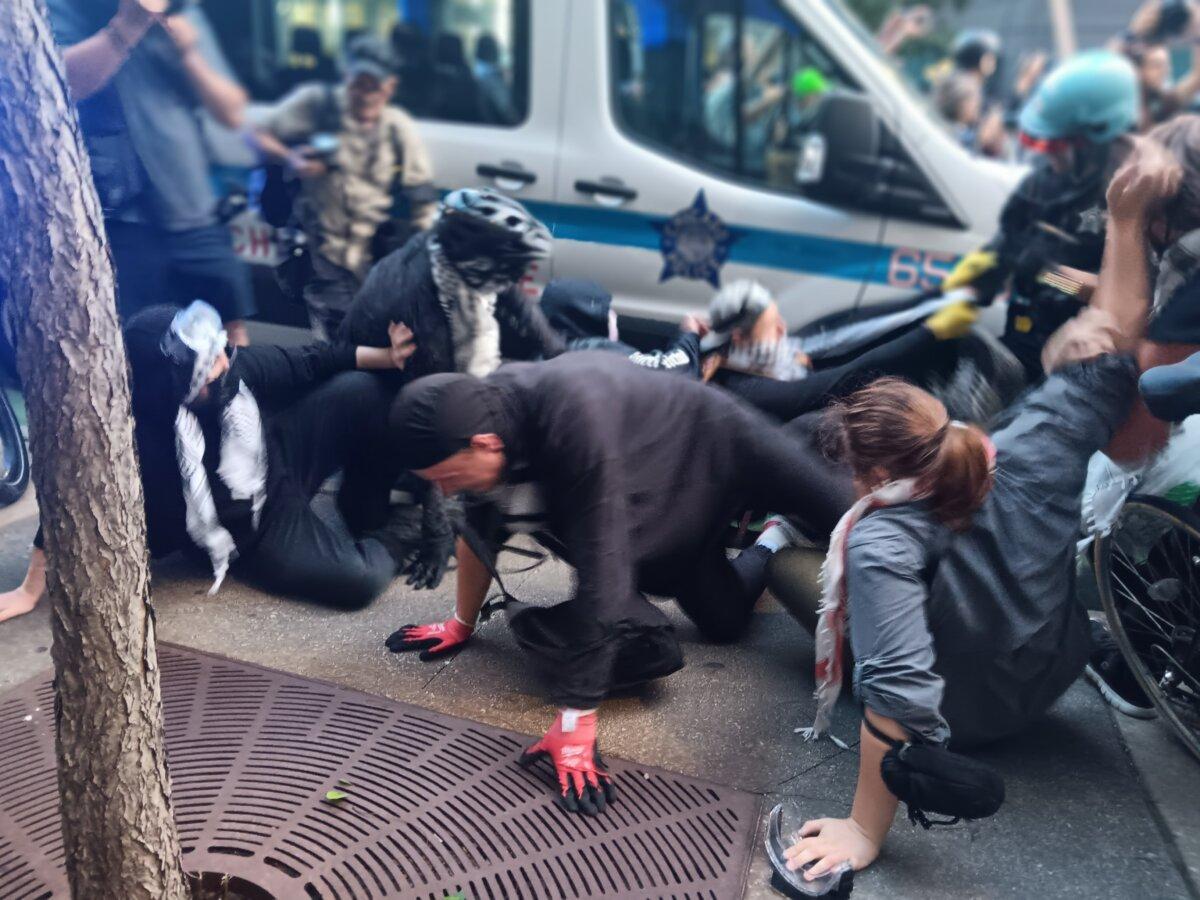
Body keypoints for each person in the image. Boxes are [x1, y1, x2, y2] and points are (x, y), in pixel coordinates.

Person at [772, 141, 1177, 883]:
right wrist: (1127, 218)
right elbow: (1117, 344)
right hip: (1045, 681)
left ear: (876, 476)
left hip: (966, 720)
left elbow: (897, 690)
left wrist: (864, 832)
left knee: (786, 564)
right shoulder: (1031, 443)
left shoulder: (881, 539)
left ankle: (774, 549)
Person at [384, 352, 854, 815]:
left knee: (840, 509)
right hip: (656, 503)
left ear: (485, 443)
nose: (444, 490)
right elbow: (478, 531)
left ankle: (802, 480)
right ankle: (772, 543)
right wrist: (461, 624)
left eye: (446, 477)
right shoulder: (478, 418)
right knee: (725, 621)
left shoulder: (571, 417)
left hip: (718, 440)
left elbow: (601, 569)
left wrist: (575, 717)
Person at [0, 301, 418, 623]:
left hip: (279, 461)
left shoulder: (235, 368)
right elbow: (66, 505)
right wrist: (29, 591)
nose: (224, 362)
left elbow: (311, 359)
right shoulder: (127, 438)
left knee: (361, 389)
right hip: (247, 533)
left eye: (220, 353)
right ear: (174, 381)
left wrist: (389, 356)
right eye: (210, 364)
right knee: (358, 582)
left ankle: (366, 502)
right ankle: (409, 527)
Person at [45, 0, 255, 344]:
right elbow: (56, 85)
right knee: (137, 354)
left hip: (196, 210)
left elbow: (232, 112)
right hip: (116, 223)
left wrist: (189, 54)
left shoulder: (180, 9)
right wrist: (128, 26)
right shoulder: (66, 7)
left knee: (228, 345)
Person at [944, 51, 1140, 380]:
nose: (1050, 153)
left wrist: (1048, 273)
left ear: (1096, 137)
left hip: (1082, 369)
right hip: (1022, 339)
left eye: (1060, 143)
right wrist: (965, 292)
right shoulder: (1043, 183)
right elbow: (1004, 245)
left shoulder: (1134, 198)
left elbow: (1127, 300)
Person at [255, 35, 437, 340]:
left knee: (372, 349)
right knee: (335, 350)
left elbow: (422, 199)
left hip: (374, 261)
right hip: (323, 256)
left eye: (374, 87)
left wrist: (420, 263)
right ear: (346, 77)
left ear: (390, 87)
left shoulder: (397, 127)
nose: (364, 95)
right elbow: (256, 135)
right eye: (357, 84)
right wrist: (292, 158)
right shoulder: (317, 104)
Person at [339, 187, 561, 378]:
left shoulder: (453, 256)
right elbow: (443, 387)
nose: (513, 279)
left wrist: (559, 354)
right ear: (479, 260)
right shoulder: (413, 296)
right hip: (385, 385)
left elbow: (516, 301)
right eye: (508, 271)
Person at [698, 280, 993, 423]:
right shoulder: (747, 389)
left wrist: (936, 297)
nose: (783, 330)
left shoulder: (753, 356)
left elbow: (851, 333)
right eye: (773, 325)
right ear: (739, 337)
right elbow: (844, 376)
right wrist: (929, 332)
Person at [539, 278, 704, 376]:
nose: (614, 315)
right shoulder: (597, 352)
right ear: (590, 317)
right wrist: (689, 333)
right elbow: (674, 372)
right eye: (607, 310)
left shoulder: (542, 358)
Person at [1119, 0, 1200, 130]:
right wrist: (1132, 34)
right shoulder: (1124, 104)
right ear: (1138, 69)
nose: (1165, 71)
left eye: (1167, 65)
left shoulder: (1159, 102)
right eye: (1157, 65)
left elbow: (1195, 79)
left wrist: (1197, 33)